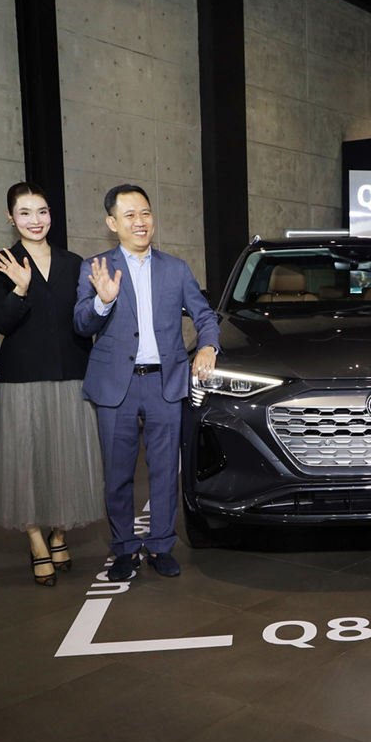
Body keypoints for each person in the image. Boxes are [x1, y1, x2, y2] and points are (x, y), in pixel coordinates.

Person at [74, 184, 220, 582]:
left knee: (164, 471)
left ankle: (160, 546)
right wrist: (103, 301)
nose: (140, 222)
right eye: (130, 215)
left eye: (145, 213)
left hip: (164, 384)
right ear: (112, 223)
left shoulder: (176, 268)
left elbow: (205, 315)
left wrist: (208, 346)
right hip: (115, 386)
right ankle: (124, 548)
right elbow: (81, 323)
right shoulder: (95, 268)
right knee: (117, 472)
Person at [0, 182, 105, 586]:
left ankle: (59, 536)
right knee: (26, 462)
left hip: (73, 373)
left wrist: (104, 302)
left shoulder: (75, 264)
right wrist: (20, 288)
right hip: (22, 377)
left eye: (42, 211)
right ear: (10, 217)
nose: (35, 220)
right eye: (25, 213)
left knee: (67, 459)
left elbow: (84, 320)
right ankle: (36, 541)